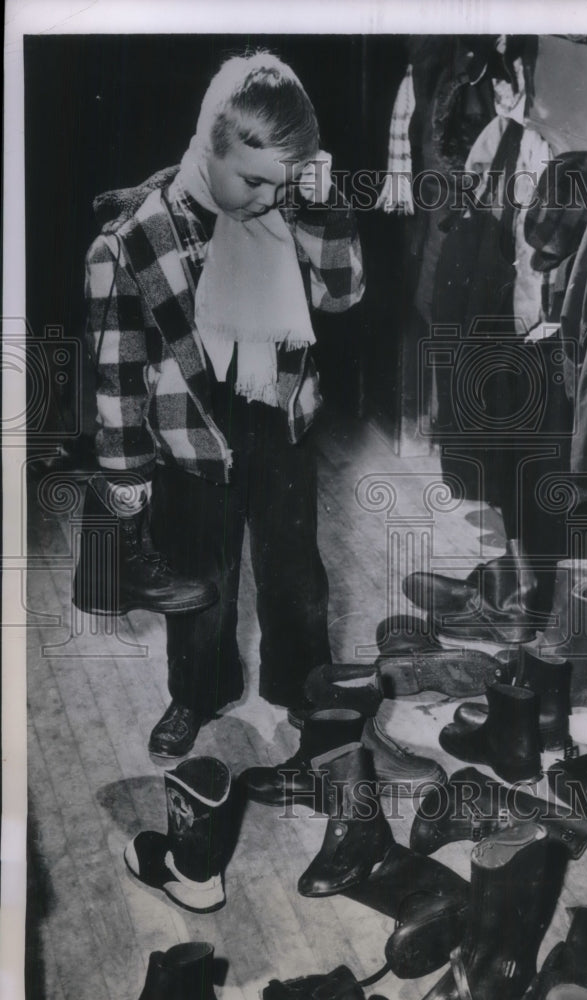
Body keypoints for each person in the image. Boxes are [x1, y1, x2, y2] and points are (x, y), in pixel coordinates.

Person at [83, 50, 365, 758]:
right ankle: (196, 692)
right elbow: (117, 376)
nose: (268, 198)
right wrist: (125, 488)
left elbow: (343, 293)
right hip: (191, 434)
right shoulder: (133, 238)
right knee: (201, 580)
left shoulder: (293, 207)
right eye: (253, 180)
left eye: (284, 181)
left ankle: (304, 685)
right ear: (208, 145)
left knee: (296, 573)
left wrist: (320, 206)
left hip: (281, 417)